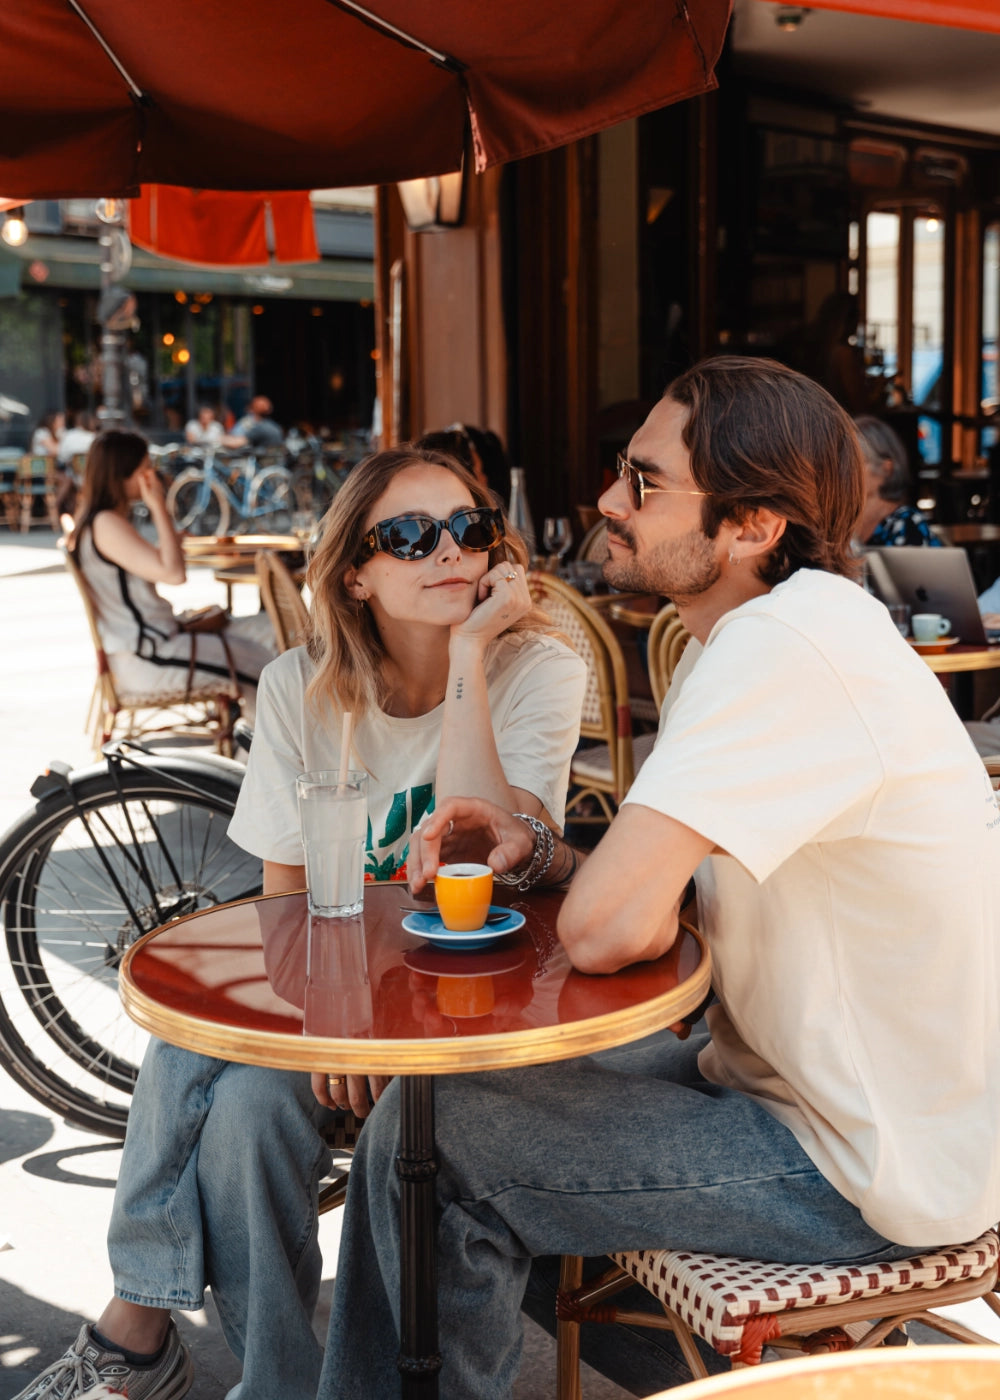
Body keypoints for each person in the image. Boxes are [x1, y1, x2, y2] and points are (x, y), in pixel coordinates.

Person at [318, 356, 1000, 1398]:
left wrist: (584, 887)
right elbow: (660, 899)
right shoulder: (783, 630)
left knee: (443, 1146)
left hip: (869, 1166)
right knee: (432, 1114)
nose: (606, 504)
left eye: (643, 482)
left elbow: (603, 933)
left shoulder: (780, 645)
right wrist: (541, 850)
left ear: (751, 524)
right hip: (818, 1098)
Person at [14, 444, 585, 1400]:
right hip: (338, 1004)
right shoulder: (297, 686)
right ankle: (276, 1384)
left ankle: (134, 1333)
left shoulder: (538, 671)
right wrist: (338, 1012)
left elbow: (478, 857)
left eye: (469, 528)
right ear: (355, 573)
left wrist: (473, 658)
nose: (448, 551)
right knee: (242, 1109)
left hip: (470, 1013)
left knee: (225, 1066)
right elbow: (286, 903)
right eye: (409, 535)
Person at [67, 430, 277, 725]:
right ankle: (252, 764)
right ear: (121, 476)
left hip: (156, 643)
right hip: (149, 656)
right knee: (264, 669)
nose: (151, 475)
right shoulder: (106, 524)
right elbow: (174, 574)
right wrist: (159, 507)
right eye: (145, 469)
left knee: (264, 651)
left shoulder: (103, 522)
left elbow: (158, 565)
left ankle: (253, 756)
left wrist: (169, 538)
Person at [854, 414, 940, 547]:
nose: (846, 472)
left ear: (886, 470)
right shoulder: (841, 525)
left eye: (857, 463)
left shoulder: (908, 525)